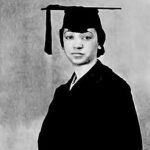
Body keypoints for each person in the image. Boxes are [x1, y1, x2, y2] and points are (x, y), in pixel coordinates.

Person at [38, 6, 143, 150]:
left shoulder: (115, 89)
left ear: (99, 42)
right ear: (62, 43)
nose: (77, 45)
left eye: (86, 37)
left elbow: (130, 146)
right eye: (69, 37)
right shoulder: (61, 94)